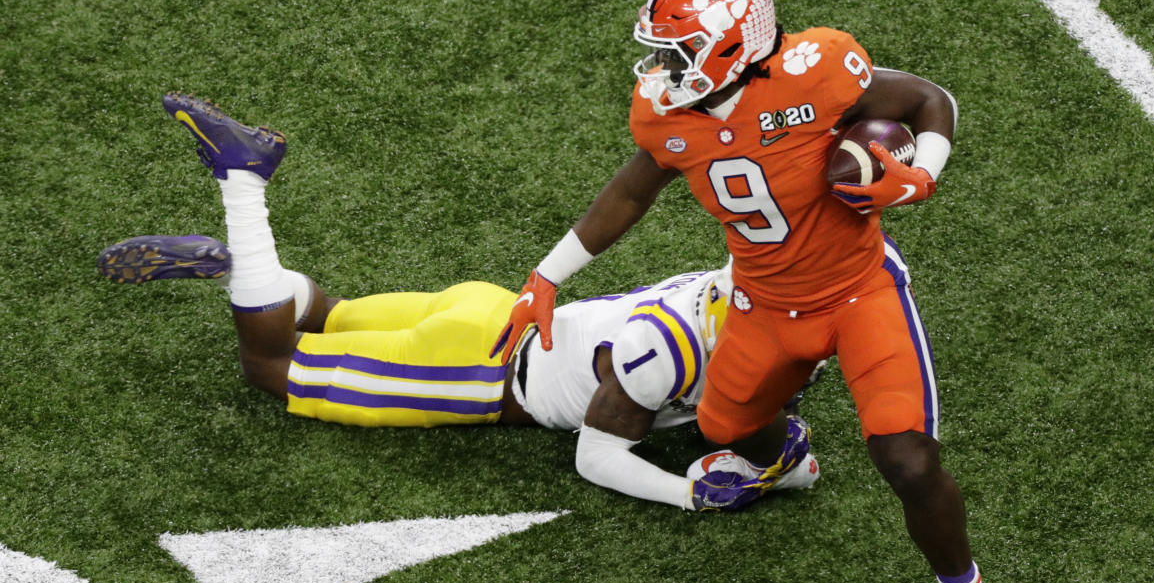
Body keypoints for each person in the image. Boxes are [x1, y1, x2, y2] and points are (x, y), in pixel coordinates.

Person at [490, 0, 1026, 583]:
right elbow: (631, 190)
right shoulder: (669, 115)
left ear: (727, 45)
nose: (659, 67)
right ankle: (787, 454)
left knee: (906, 459)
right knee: (724, 426)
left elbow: (929, 100)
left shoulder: (815, 72)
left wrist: (921, 175)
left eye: (675, 51)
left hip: (859, 293)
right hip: (762, 303)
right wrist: (546, 275)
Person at [97, 92, 820, 514]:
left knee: (328, 316)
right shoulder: (663, 355)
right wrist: (684, 494)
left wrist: (780, 460)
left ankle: (247, 273)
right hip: (480, 371)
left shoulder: (720, 300)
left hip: (492, 309)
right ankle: (243, 185)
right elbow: (598, 457)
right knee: (270, 367)